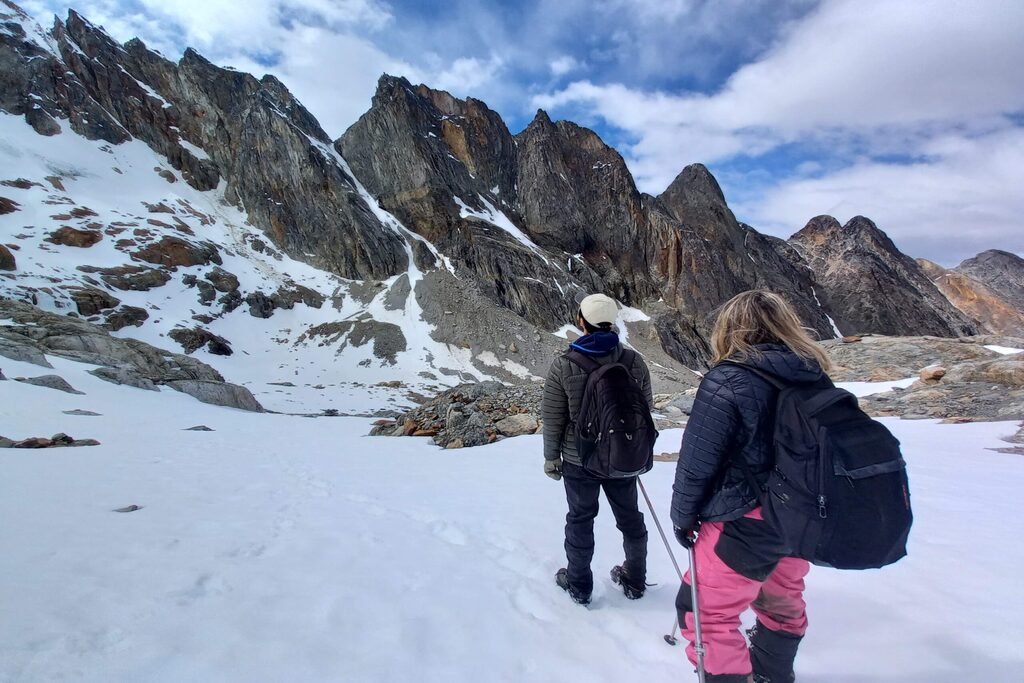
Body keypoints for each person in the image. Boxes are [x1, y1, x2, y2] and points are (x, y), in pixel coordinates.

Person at [670, 290, 833, 683]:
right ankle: (774, 675)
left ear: (730, 329)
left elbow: (697, 461)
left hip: (745, 522)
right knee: (782, 600)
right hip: (801, 519)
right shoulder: (816, 377)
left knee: (705, 614)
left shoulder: (727, 380)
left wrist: (683, 516)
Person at [542, 293, 654, 605]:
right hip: (623, 455)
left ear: (582, 321)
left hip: (581, 461)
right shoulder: (633, 361)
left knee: (580, 518)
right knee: (630, 517)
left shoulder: (564, 365)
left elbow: (553, 418)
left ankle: (579, 584)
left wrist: (552, 457)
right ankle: (635, 578)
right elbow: (645, 408)